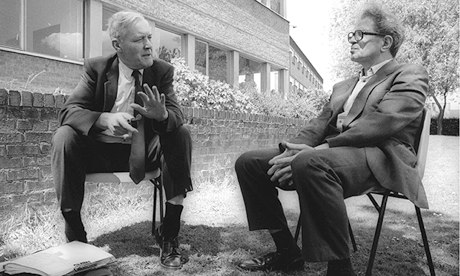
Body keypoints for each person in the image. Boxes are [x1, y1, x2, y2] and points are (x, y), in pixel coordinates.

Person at [234, 3, 428, 276]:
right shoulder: (343, 86)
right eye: (351, 35)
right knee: (250, 163)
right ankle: (288, 253)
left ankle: (340, 269)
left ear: (386, 42)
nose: (352, 40)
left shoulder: (409, 74)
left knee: (312, 162)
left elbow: (383, 122)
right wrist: (290, 150)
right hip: (329, 157)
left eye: (360, 34)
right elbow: (318, 125)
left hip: (379, 156)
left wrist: (322, 148)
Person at [51, 11, 192, 270]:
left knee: (179, 133)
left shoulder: (162, 72)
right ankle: (75, 235)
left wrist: (162, 116)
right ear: (118, 46)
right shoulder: (97, 68)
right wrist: (103, 118)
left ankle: (169, 233)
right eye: (139, 39)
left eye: (149, 37)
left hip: (145, 151)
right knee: (64, 135)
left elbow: (177, 116)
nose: (149, 44)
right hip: (102, 152)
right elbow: (68, 113)